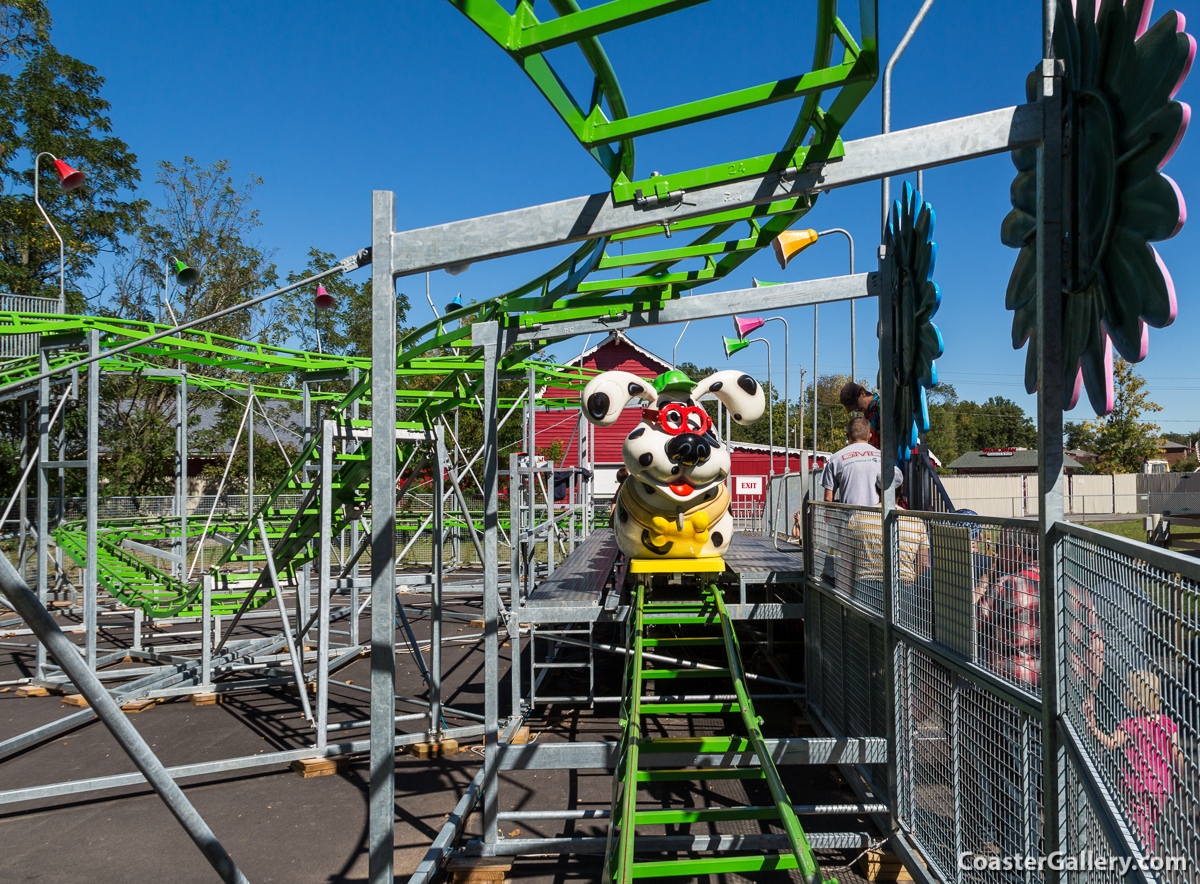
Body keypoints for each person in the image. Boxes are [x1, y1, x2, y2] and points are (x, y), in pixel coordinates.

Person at [1085, 670, 1185, 853]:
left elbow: (1109, 743)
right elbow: (1177, 755)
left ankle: (1141, 865)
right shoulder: (1168, 724)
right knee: (1149, 827)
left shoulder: (1131, 725)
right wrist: (1177, 779)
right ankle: (1145, 860)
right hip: (1161, 787)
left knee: (1138, 830)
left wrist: (1092, 725)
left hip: (1135, 786)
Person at [821, 417, 902, 506]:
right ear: (870, 436)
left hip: (850, 518)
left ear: (848, 436)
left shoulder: (836, 458)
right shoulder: (884, 457)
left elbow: (828, 498)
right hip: (878, 516)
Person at [839, 382, 880, 449]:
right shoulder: (868, 414)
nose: (856, 409)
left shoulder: (880, 406)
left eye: (856, 405)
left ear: (863, 393)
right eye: (853, 408)